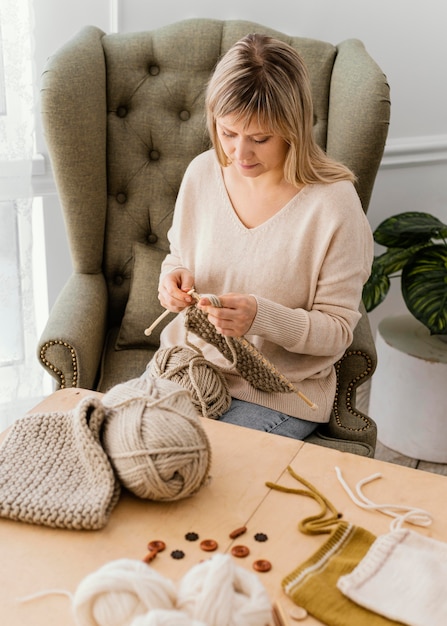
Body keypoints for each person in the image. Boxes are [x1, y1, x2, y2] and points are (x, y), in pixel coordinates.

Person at [156, 33, 374, 440]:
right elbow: (178, 255)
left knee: (210, 475)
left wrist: (261, 318)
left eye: (260, 138)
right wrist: (173, 280)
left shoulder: (334, 205)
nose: (240, 154)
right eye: (227, 133)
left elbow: (338, 332)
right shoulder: (202, 173)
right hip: (190, 368)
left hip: (276, 394)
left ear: (294, 127)